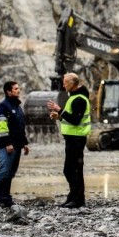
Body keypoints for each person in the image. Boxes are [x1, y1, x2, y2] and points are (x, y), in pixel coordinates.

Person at [47, 73, 91, 208]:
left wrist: (59, 110)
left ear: (72, 83)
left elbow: (76, 120)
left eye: (65, 82)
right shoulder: (73, 97)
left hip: (76, 139)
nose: (63, 84)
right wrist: (59, 116)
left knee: (73, 170)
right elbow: (71, 117)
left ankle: (77, 199)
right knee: (72, 169)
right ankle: (74, 197)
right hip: (72, 138)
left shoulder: (79, 99)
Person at [0, 80, 30, 207]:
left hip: (17, 145)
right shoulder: (3, 107)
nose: (19, 90)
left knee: (11, 173)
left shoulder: (17, 106)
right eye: (16, 89)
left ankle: (5, 197)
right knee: (4, 172)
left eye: (18, 88)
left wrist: (24, 143)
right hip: (7, 146)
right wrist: (7, 143)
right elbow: (1, 128)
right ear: (8, 91)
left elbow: (20, 126)